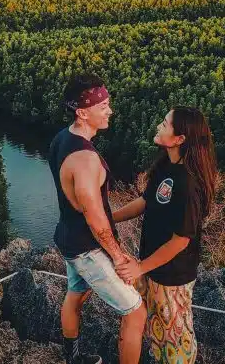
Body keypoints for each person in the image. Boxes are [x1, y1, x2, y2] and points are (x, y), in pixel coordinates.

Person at [49, 73, 147, 364]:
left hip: (67, 237)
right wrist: (117, 256)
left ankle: (73, 359)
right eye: (102, 105)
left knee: (75, 295)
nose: (110, 110)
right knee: (135, 310)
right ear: (82, 112)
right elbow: (95, 218)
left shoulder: (61, 139)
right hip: (88, 248)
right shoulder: (86, 160)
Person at [114, 106, 217, 364]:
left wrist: (140, 268)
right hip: (151, 268)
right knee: (152, 332)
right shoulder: (165, 166)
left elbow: (182, 240)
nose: (158, 126)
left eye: (164, 123)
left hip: (172, 276)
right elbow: (145, 201)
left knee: (175, 341)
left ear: (180, 139)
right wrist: (108, 217)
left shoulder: (189, 183)